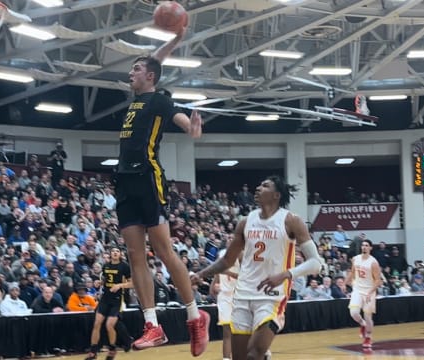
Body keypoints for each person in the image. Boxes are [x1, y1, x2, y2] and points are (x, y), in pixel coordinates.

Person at [115, 23, 209, 357]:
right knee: (135, 256)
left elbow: (179, 117)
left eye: (136, 69)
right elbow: (152, 59)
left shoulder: (159, 101)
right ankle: (152, 325)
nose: (132, 71)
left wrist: (191, 130)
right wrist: (177, 38)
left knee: (164, 253)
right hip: (123, 180)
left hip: (147, 177)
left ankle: (195, 317)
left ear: (150, 77)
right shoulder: (138, 97)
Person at [192, 176, 321, 360]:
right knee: (241, 357)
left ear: (276, 195)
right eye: (259, 185)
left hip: (271, 297)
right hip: (243, 294)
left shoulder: (291, 221)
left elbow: (316, 263)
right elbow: (227, 261)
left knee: (254, 354)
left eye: (265, 186)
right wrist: (201, 274)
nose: (258, 188)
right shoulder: (246, 221)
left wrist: (285, 274)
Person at [86, 247, 132, 360]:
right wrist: (99, 283)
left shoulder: (124, 266)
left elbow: (132, 284)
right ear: (110, 254)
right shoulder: (106, 265)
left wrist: (119, 286)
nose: (115, 253)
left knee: (109, 325)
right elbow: (106, 281)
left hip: (117, 299)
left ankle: (112, 349)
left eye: (117, 251)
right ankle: (93, 351)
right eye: (113, 251)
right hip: (105, 298)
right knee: (97, 323)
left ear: (120, 254)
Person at [345, 239, 382, 349]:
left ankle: (368, 337)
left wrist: (370, 292)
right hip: (357, 289)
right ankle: (362, 324)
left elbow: (378, 281)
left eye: (366, 245)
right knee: (354, 313)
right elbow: (352, 272)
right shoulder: (355, 259)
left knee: (368, 315)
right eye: (363, 245)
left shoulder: (373, 262)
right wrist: (345, 282)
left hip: (369, 291)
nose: (364, 247)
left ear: (370, 248)